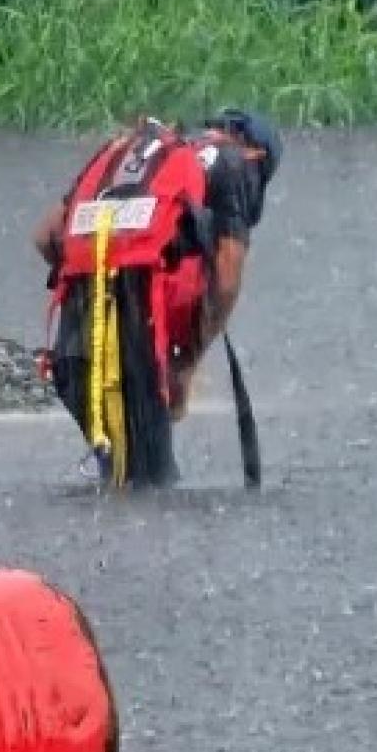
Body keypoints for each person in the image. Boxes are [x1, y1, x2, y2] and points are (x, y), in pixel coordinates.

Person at [30, 109, 280, 483]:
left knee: (120, 475)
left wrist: (96, 290)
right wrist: (185, 367)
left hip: (74, 344)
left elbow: (46, 236)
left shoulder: (132, 151)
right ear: (257, 155)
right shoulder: (234, 162)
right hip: (137, 332)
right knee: (153, 491)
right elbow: (226, 277)